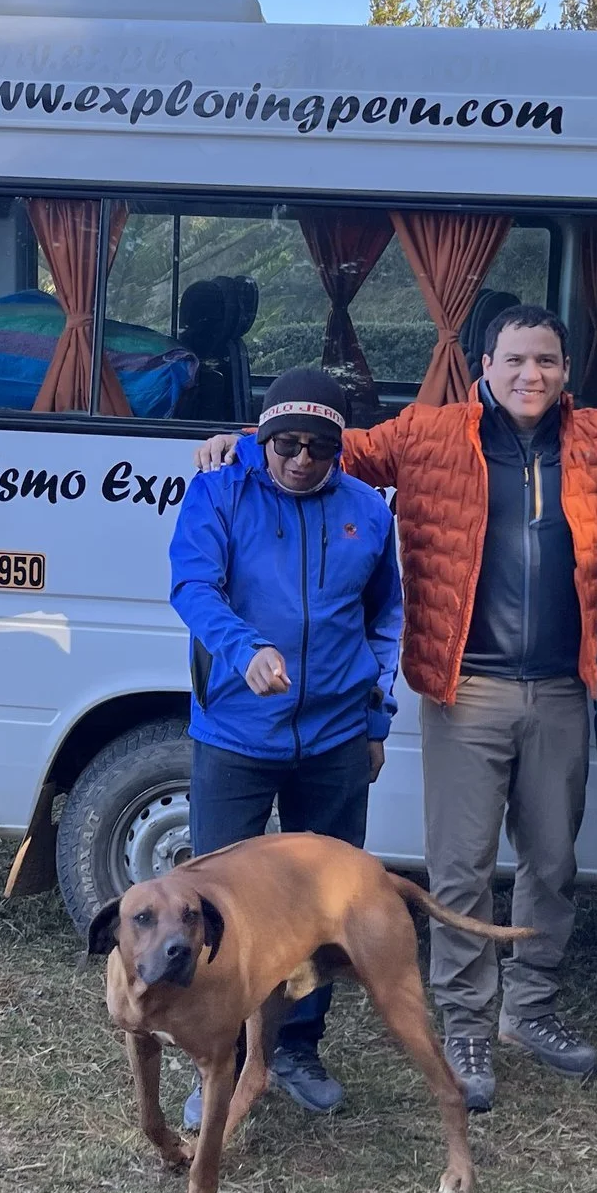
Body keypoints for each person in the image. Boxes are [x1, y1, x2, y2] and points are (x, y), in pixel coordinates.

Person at [196, 306, 597, 1111]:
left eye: (546, 359)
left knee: (552, 863)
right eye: (515, 359)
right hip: (463, 684)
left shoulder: (596, 438)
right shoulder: (428, 432)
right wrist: (240, 437)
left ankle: (529, 1007)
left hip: (560, 688)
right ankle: (469, 1021)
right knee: (462, 869)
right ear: (485, 363)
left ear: (566, 369)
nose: (530, 374)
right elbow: (329, 442)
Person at [168, 367, 403, 1130]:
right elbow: (193, 587)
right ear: (260, 440)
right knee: (219, 906)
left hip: (334, 737)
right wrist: (244, 650)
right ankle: (219, 1056)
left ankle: (298, 1046)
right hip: (236, 733)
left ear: (341, 448)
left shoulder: (368, 510)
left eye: (320, 447)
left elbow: (385, 619)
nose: (302, 459)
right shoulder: (218, 492)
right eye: (286, 444)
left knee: (319, 905)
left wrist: (375, 721)